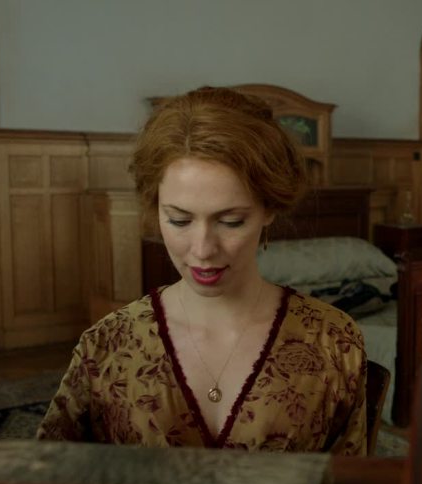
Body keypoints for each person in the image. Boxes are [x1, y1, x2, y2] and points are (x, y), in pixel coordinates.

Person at [37, 87, 367, 454]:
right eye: (179, 220)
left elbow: (353, 475)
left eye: (231, 221)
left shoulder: (332, 342)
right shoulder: (108, 345)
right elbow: (49, 471)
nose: (203, 249)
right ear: (156, 208)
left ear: (269, 208)